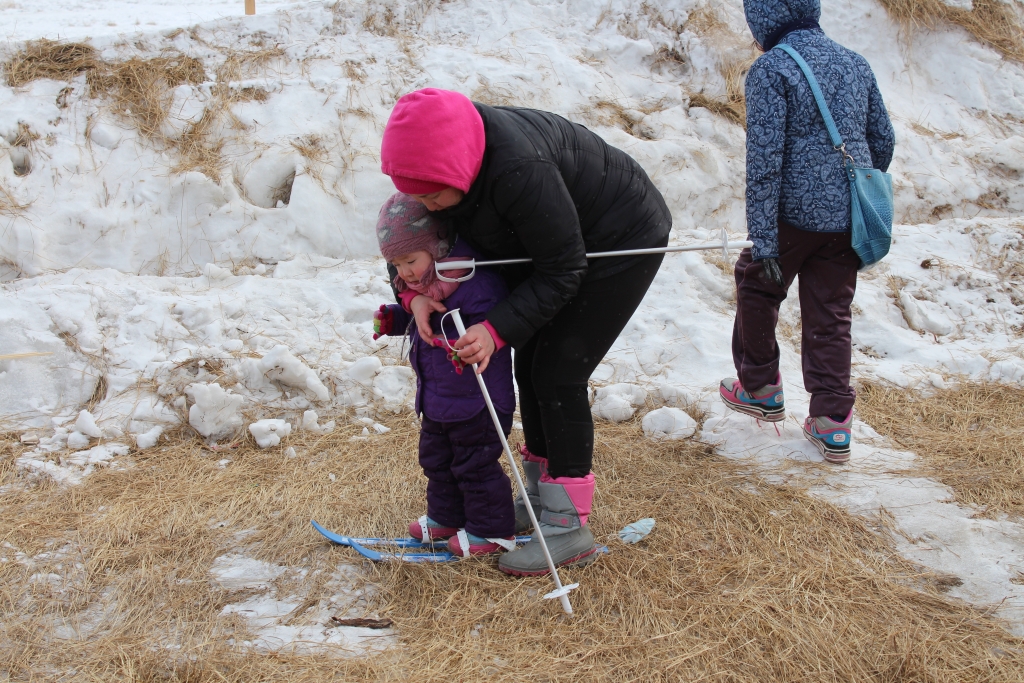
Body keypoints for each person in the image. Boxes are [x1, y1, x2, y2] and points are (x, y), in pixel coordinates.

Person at [379, 88, 672, 575]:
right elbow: (406, 243)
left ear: (458, 169)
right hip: (549, 243)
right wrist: (413, 295)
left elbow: (563, 268)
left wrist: (494, 330)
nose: (425, 205)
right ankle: (538, 498)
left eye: (430, 195)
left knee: (557, 368)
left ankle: (567, 526)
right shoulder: (444, 178)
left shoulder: (519, 170)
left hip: (618, 238)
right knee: (531, 357)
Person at [719, 0, 895, 464]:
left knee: (757, 283)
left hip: (792, 215)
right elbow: (884, 139)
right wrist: (855, 188)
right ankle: (833, 424)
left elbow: (764, 162)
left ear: (764, 19)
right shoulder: (855, 62)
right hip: (847, 220)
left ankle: (759, 387)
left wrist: (765, 240)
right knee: (830, 313)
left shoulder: (770, 70)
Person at [372, 192, 518, 557]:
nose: (403, 272)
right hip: (439, 397)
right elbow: (431, 320)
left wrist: (475, 340)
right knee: (436, 461)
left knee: (475, 465)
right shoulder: (424, 287)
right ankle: (446, 517)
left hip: (477, 400)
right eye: (396, 263)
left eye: (410, 260)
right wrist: (398, 316)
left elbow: (492, 320)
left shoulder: (475, 282)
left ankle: (492, 529)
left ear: (436, 249)